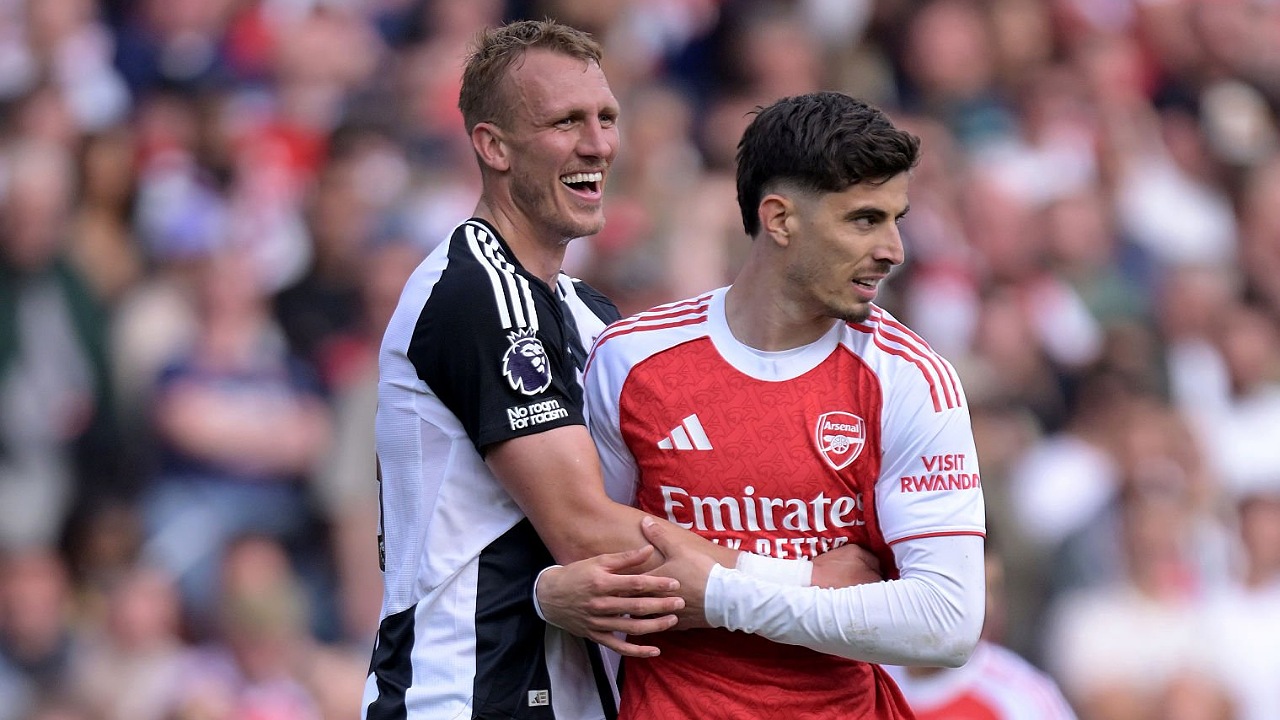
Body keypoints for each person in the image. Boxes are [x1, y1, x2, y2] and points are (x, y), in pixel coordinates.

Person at [361, 21, 871, 720]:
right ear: (493, 146)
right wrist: (807, 581)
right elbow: (587, 529)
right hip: (467, 696)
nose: (598, 144)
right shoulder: (479, 291)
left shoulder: (589, 313)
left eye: (606, 118)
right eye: (565, 122)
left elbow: (665, 508)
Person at [578, 91, 987, 718]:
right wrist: (803, 577)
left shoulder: (910, 379)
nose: (893, 249)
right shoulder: (631, 361)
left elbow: (946, 621)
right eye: (864, 219)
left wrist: (721, 597)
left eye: (896, 218)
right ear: (780, 219)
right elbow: (597, 561)